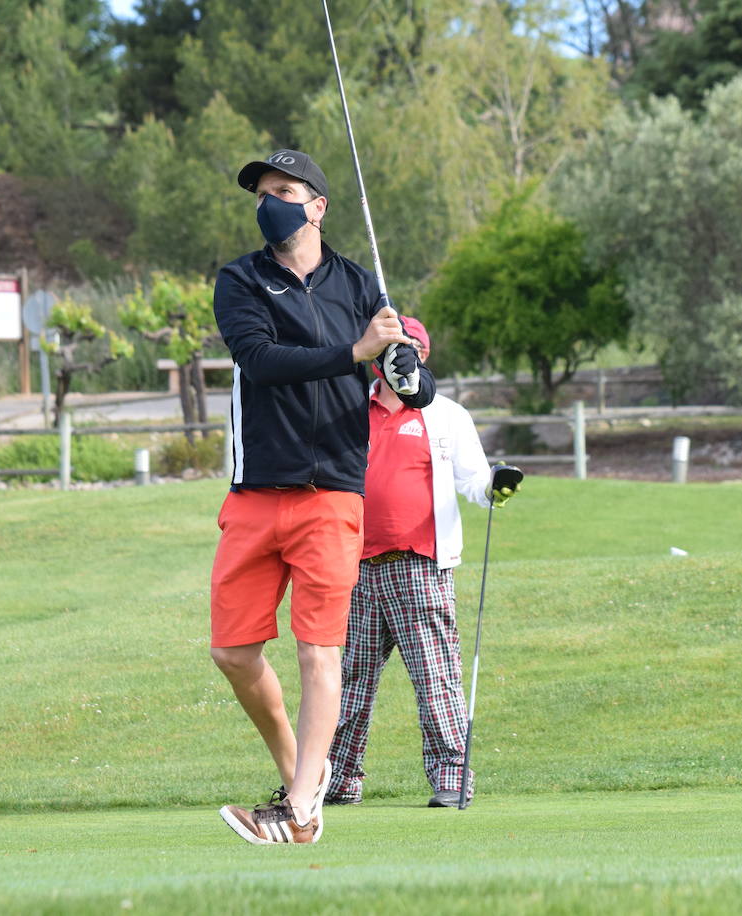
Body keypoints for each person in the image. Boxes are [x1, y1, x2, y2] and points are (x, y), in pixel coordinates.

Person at [212, 149, 435, 845]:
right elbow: (262, 361)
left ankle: (303, 804)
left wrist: (404, 366)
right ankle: (298, 776)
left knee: (319, 653)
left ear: (318, 206)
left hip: (333, 494)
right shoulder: (241, 279)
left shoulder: (361, 285)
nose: (268, 202)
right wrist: (354, 352)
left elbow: (414, 391)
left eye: (283, 191)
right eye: (260, 193)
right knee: (233, 652)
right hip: (256, 491)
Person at [325, 317, 519, 808]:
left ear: (422, 356)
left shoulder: (446, 414)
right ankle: (337, 779)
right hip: (355, 567)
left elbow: (474, 479)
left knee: (435, 678)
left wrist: (496, 485)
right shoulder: (350, 408)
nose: (397, 357)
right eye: (389, 348)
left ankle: (452, 777)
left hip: (419, 564)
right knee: (346, 682)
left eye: (407, 348)